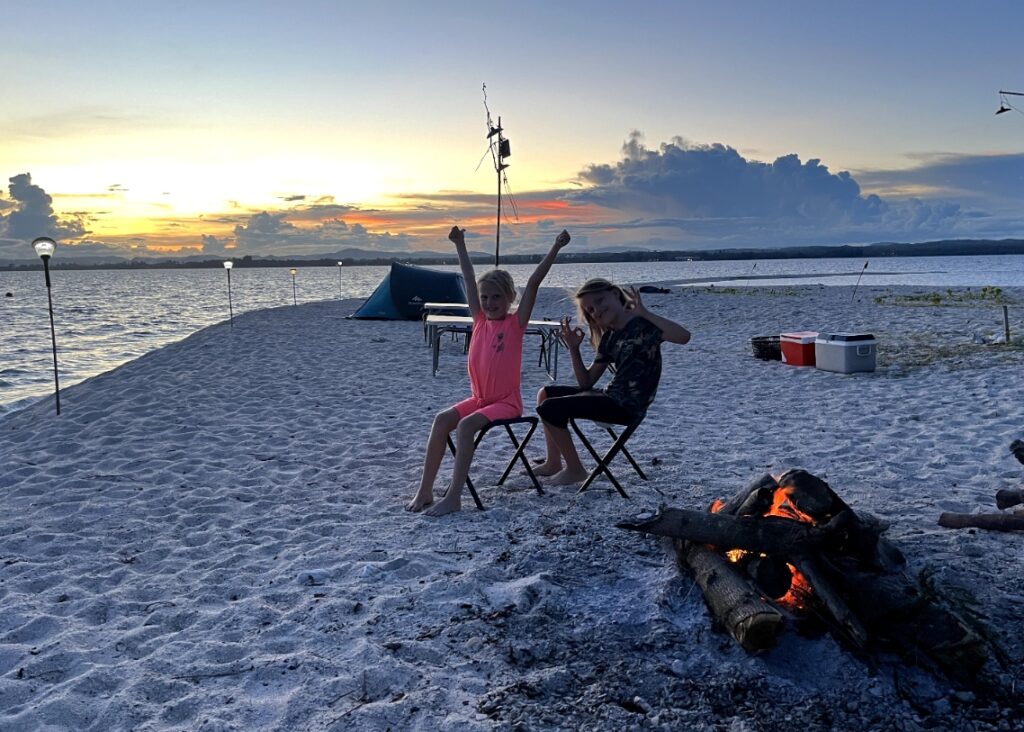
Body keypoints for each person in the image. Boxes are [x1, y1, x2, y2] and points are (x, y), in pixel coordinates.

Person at [407, 225, 571, 516]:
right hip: (479, 399)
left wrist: (555, 248)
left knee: (467, 425)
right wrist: (460, 244)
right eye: (485, 297)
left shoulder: (515, 324)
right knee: (442, 419)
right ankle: (426, 489)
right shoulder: (479, 320)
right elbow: (469, 278)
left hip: (506, 403)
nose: (489, 302)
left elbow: (532, 284)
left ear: (509, 298)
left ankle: (455, 496)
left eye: (496, 297)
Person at [534, 278, 691, 485]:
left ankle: (575, 470)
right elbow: (586, 383)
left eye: (599, 301)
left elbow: (683, 336)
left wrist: (644, 312)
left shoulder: (644, 326)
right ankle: (554, 462)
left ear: (616, 295)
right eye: (590, 310)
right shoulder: (609, 338)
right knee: (545, 394)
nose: (596, 310)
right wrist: (573, 349)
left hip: (628, 406)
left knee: (551, 408)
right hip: (610, 397)